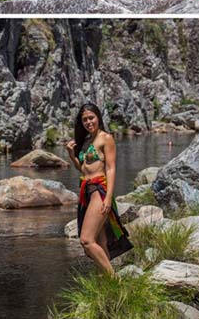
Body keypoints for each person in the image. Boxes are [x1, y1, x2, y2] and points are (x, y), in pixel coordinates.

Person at [65, 103, 132, 275]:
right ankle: (106, 285)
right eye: (84, 119)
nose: (88, 122)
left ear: (98, 117)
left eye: (91, 118)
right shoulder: (86, 141)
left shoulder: (106, 138)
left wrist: (108, 197)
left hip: (99, 190)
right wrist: (72, 156)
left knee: (86, 240)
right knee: (100, 242)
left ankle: (115, 281)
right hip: (86, 191)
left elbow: (110, 168)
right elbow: (84, 169)